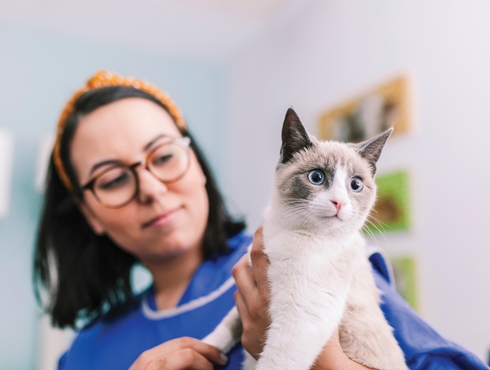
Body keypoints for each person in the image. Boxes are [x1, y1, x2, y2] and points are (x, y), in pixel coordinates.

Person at [33, 70, 489, 370]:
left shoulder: (319, 252)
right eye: (112, 179)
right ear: (88, 212)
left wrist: (323, 360)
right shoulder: (84, 353)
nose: (151, 188)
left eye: (165, 155)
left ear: (196, 165)